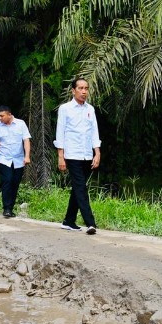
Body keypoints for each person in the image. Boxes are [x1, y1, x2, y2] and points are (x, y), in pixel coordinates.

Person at [54, 78, 101, 235]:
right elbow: (60, 133)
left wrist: (97, 153)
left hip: (87, 155)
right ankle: (90, 223)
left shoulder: (90, 109)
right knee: (81, 187)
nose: (84, 91)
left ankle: (68, 221)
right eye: (80, 88)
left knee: (77, 188)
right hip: (72, 154)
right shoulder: (65, 109)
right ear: (73, 91)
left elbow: (94, 132)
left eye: (86, 88)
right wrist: (61, 156)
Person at [0, 105, 31, 218]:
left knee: (15, 182)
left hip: (18, 159)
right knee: (7, 180)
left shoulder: (20, 124)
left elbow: (26, 140)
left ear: (9, 114)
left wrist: (27, 156)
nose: (0, 118)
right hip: (3, 158)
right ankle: (6, 208)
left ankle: (11, 207)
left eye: (2, 116)